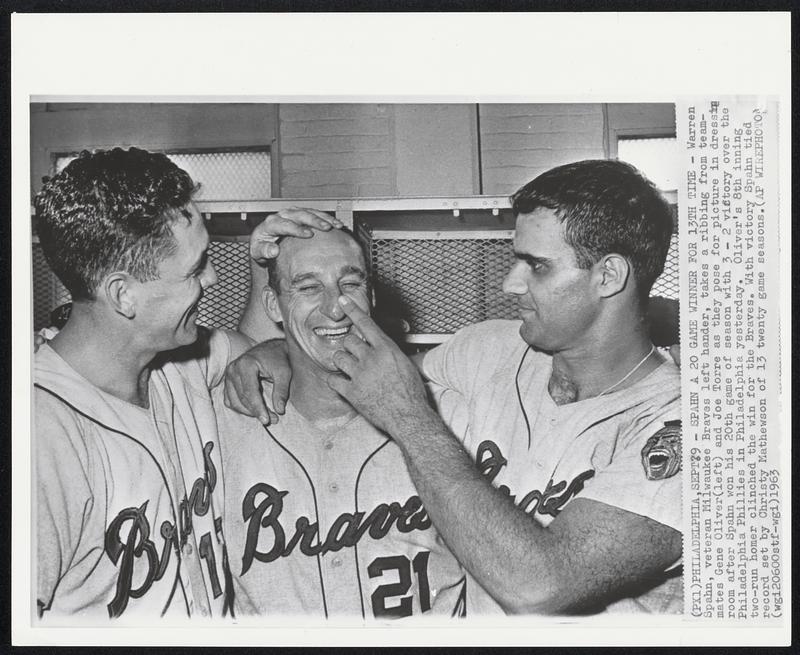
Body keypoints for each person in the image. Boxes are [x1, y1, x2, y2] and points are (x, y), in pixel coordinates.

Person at [228, 159, 683, 615]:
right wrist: (278, 349)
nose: (510, 282)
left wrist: (410, 420)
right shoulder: (491, 348)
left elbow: (541, 587)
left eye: (536, 266)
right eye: (515, 259)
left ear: (609, 276)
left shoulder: (690, 430)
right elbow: (364, 370)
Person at [33, 148, 250, 621]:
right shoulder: (39, 435)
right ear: (123, 294)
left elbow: (256, 352)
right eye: (196, 269)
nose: (212, 278)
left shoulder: (180, 360)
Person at [214, 227, 467, 619]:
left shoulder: (447, 414)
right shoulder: (221, 426)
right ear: (274, 305)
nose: (335, 308)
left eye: (350, 283)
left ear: (371, 297)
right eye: (308, 288)